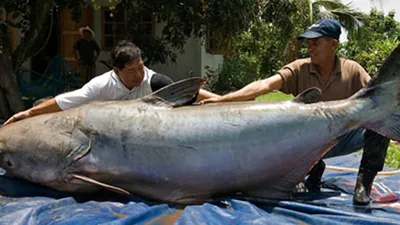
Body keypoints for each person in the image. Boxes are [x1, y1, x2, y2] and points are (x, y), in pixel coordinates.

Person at [200, 19, 390, 205]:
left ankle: (363, 185)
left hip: (342, 137)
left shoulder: (353, 70)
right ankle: (311, 168)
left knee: (380, 120)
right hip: (305, 143)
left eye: (316, 43)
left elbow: (377, 98)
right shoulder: (300, 68)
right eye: (308, 44)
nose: (310, 48)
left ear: (333, 44)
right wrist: (221, 100)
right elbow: (265, 85)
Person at [4, 40, 219, 125]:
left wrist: (224, 100)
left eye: (141, 67)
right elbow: (63, 102)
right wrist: (27, 114)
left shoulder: (155, 81)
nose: (139, 74)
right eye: (132, 71)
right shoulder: (100, 86)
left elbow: (190, 93)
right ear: (116, 71)